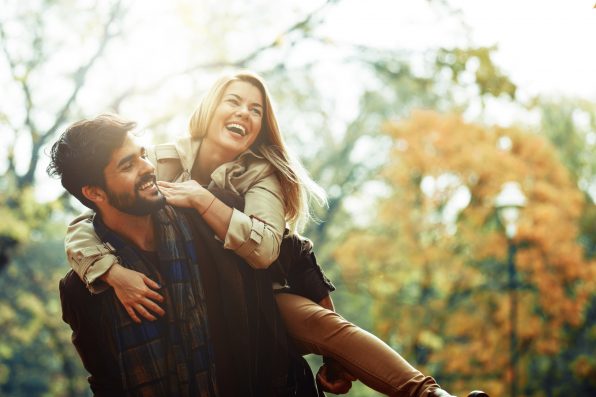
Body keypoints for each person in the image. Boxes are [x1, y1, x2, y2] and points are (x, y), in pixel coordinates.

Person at [64, 72, 488, 397]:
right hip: (203, 301)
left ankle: (426, 393)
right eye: (233, 101)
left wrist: (201, 200)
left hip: (256, 287)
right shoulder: (161, 162)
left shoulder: (259, 173)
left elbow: (277, 249)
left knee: (323, 326)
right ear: (210, 108)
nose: (244, 113)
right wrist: (110, 272)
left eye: (256, 110)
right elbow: (91, 221)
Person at [49, 115, 322, 396]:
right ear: (94, 191)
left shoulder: (203, 213)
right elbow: (106, 383)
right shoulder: (82, 290)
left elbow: (292, 252)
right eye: (127, 165)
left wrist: (334, 355)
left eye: (142, 155)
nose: (147, 167)